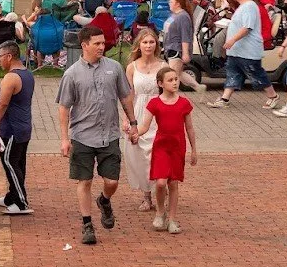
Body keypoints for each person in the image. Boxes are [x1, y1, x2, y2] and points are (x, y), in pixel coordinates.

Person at [57, 24, 136, 246]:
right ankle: (87, 223)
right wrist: (64, 139)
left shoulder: (114, 68)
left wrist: (133, 123)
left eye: (103, 43)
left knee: (111, 181)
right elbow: (64, 108)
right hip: (82, 136)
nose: (102, 47)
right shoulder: (71, 74)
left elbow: (125, 96)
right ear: (84, 45)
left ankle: (104, 200)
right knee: (85, 180)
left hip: (109, 134)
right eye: (97, 43)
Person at [133, 66, 196, 234]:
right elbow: (145, 126)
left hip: (177, 147)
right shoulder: (154, 103)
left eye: (176, 79)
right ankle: (161, 212)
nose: (175, 83)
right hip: (161, 146)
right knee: (160, 183)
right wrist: (135, 133)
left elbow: (189, 128)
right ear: (160, 84)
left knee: (173, 183)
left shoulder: (184, 103)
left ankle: (173, 219)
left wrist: (194, 150)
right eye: (170, 80)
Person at [209, 0, 279, 110]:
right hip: (237, 51)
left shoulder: (249, 7)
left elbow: (247, 27)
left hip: (248, 50)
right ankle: (224, 98)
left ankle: (273, 96)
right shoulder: (243, 7)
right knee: (233, 73)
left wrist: (232, 40)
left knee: (256, 72)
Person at [0, 40, 35, 215]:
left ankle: (21, 202)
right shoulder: (27, 74)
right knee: (19, 163)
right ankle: (12, 196)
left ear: (9, 56)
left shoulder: (11, 78)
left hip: (13, 129)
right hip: (24, 127)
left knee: (10, 162)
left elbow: (2, 104)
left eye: (0, 57)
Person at [122, 29, 163, 212]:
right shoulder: (132, 67)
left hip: (157, 112)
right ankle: (146, 196)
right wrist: (126, 118)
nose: (148, 46)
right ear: (139, 45)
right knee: (138, 155)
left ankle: (160, 189)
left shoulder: (163, 66)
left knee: (157, 153)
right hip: (138, 111)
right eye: (145, 42)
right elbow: (128, 94)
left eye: (151, 42)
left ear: (156, 45)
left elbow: (168, 90)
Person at [161, 0, 200, 91]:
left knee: (172, 75)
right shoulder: (174, 15)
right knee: (179, 73)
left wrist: (185, 53)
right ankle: (198, 87)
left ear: (178, 4)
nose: (169, 3)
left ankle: (171, 95)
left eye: (171, 2)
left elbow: (185, 36)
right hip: (169, 47)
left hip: (176, 49)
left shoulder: (183, 17)